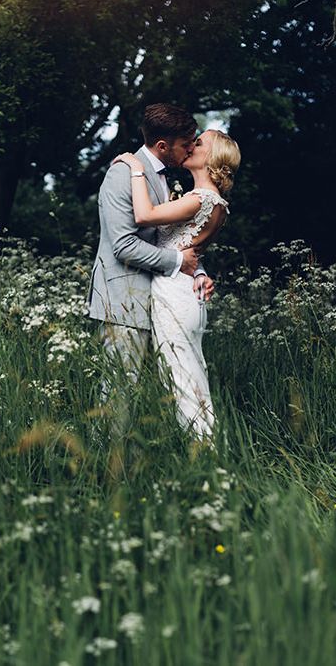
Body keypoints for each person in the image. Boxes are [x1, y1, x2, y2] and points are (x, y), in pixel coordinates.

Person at [86, 103, 214, 467]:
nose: (191, 149)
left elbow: (169, 238)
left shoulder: (161, 177)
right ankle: (102, 468)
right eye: (186, 144)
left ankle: (148, 462)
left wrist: (198, 271)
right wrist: (179, 263)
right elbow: (123, 245)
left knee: (157, 388)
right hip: (123, 297)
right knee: (119, 390)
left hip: (160, 299)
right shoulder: (121, 175)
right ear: (162, 145)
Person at [112, 128, 241, 448]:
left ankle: (208, 458)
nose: (191, 144)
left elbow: (144, 215)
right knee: (188, 374)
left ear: (211, 158)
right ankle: (208, 453)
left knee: (183, 378)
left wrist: (135, 168)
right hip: (186, 290)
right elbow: (188, 250)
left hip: (175, 294)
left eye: (199, 143)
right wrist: (200, 272)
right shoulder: (213, 202)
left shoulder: (201, 199)